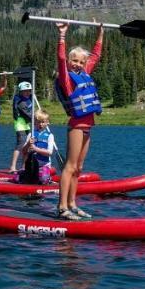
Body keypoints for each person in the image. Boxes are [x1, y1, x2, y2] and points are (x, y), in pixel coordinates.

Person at [54, 23, 104, 219]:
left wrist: (100, 33)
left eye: (81, 62)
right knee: (70, 166)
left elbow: (95, 56)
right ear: (69, 62)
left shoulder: (85, 74)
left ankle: (73, 204)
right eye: (74, 60)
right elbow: (60, 58)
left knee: (79, 168)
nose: (77, 64)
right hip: (76, 126)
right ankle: (62, 207)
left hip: (88, 127)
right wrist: (62, 36)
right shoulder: (67, 79)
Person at [18, 110, 57, 184]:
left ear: (47, 122)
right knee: (19, 178)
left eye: (43, 122)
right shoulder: (31, 134)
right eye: (38, 122)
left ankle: (48, 179)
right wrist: (28, 144)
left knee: (43, 179)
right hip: (31, 165)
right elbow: (23, 151)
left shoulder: (50, 136)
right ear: (35, 122)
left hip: (44, 165)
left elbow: (49, 152)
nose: (40, 124)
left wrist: (36, 149)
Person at [8, 80, 35, 172]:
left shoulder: (28, 99)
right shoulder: (21, 103)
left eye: (29, 90)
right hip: (20, 125)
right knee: (20, 145)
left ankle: (24, 167)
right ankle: (12, 167)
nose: (28, 93)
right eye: (25, 91)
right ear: (21, 92)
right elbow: (29, 114)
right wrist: (39, 117)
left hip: (26, 125)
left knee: (27, 145)